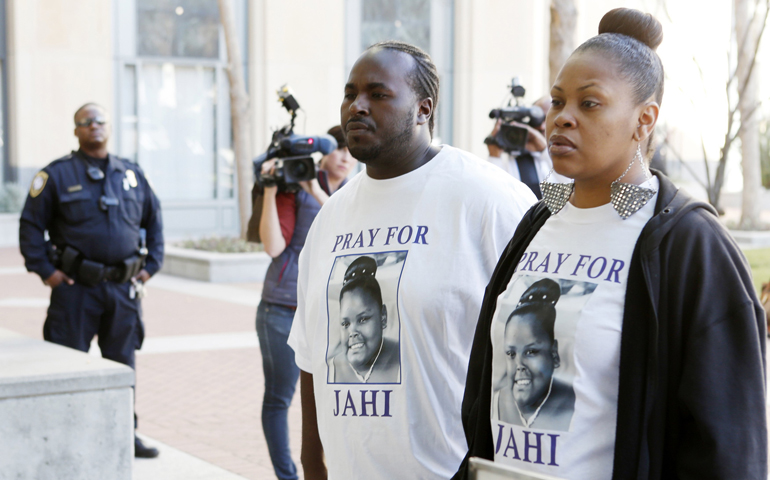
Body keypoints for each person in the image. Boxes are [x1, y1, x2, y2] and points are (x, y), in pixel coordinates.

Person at [454, 8, 767, 480]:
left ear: (645, 119)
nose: (562, 118)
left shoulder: (690, 245)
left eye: (590, 103)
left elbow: (728, 444)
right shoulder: (537, 222)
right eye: (557, 102)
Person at [287, 40, 537, 480]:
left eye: (378, 94)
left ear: (424, 108)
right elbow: (310, 354)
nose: (357, 106)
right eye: (350, 94)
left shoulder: (488, 200)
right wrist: (312, 464)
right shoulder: (331, 217)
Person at [18, 103, 164, 458]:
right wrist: (47, 273)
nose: (93, 126)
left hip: (122, 290)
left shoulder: (131, 173)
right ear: (76, 130)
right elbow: (30, 227)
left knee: (123, 365)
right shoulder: (56, 175)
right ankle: (61, 440)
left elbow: (154, 219)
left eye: (99, 120)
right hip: (75, 291)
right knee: (65, 365)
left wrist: (152, 264)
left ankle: (124, 436)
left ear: (109, 127)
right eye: (85, 122)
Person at [254, 125, 355, 480]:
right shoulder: (291, 189)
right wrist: (270, 190)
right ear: (322, 154)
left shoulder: (356, 194)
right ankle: (287, 476)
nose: (345, 157)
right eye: (338, 149)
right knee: (279, 399)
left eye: (349, 150)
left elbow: (348, 232)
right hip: (281, 307)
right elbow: (273, 247)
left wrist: (314, 188)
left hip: (331, 315)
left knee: (334, 400)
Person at [496, 278, 574, 431]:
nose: (519, 365)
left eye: (531, 352)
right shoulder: (498, 401)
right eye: (511, 353)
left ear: (554, 353)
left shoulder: (574, 403)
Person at [328, 255, 400, 383]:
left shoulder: (402, 358)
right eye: (345, 323)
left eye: (363, 319)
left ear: (383, 317)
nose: (352, 332)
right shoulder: (333, 367)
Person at [486, 96, 557, 199]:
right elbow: (492, 195)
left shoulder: (554, 159)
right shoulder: (505, 162)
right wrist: (494, 156)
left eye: (548, 119)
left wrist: (544, 150)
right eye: (538, 120)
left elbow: (568, 186)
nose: (542, 126)